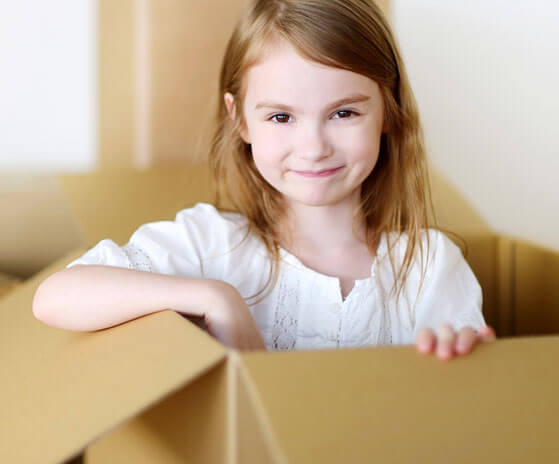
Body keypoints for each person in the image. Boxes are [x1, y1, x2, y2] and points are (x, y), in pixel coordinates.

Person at [33, 0, 496, 360]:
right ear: (241, 122)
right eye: (281, 117)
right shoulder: (211, 245)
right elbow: (56, 296)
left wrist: (457, 357)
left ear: (388, 112)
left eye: (344, 112)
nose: (314, 146)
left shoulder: (429, 267)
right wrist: (215, 297)